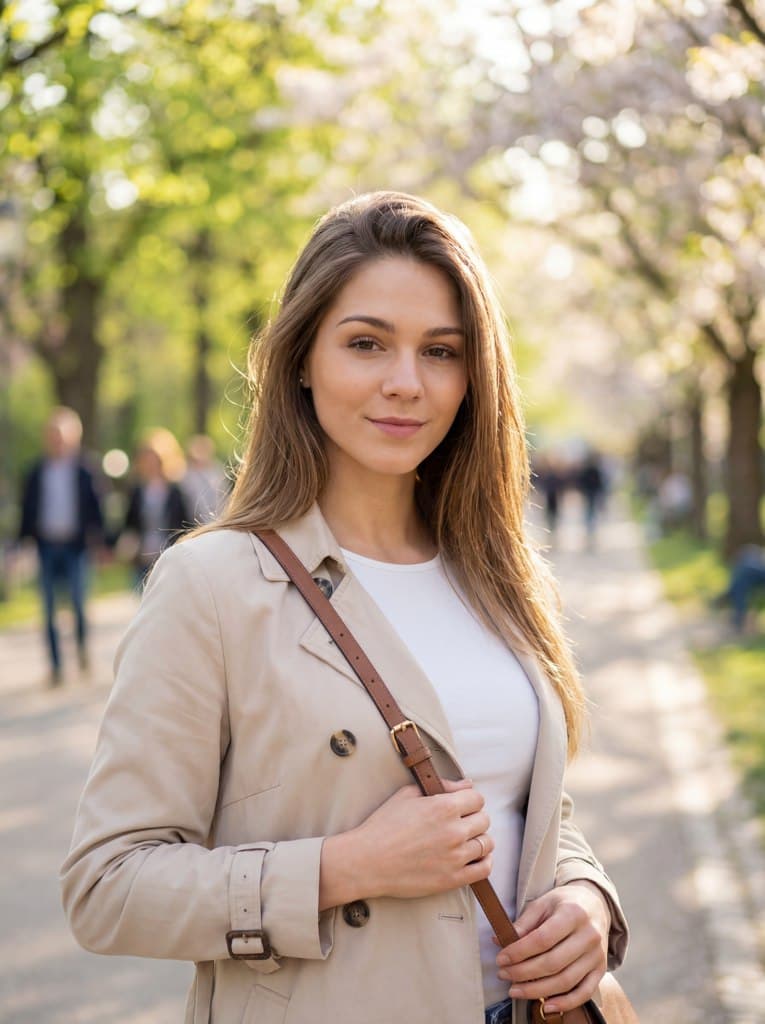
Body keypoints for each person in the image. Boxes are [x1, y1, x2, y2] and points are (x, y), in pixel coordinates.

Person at [61, 193, 628, 1024]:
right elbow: (107, 886)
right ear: (300, 358)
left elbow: (522, 806)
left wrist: (586, 897)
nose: (405, 383)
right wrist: (344, 868)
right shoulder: (213, 584)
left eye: (441, 351)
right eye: (366, 343)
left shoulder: (492, 573)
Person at [18, 406, 104, 686]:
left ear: (73, 437)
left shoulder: (84, 470)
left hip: (75, 546)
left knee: (78, 602)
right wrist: (21, 544)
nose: (57, 440)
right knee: (49, 607)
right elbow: (27, 510)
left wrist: (101, 542)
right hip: (46, 545)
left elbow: (96, 509)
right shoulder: (36, 471)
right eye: (52, 435)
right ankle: (55, 666)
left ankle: (81, 650)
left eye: (61, 435)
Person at [118, 428, 189, 586]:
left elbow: (185, 522)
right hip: (142, 554)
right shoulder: (137, 490)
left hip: (168, 553)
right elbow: (130, 522)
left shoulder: (176, 491)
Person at [181, 433, 229, 524]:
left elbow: (223, 498)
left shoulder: (217, 471)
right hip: (192, 522)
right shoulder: (186, 474)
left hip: (216, 520)